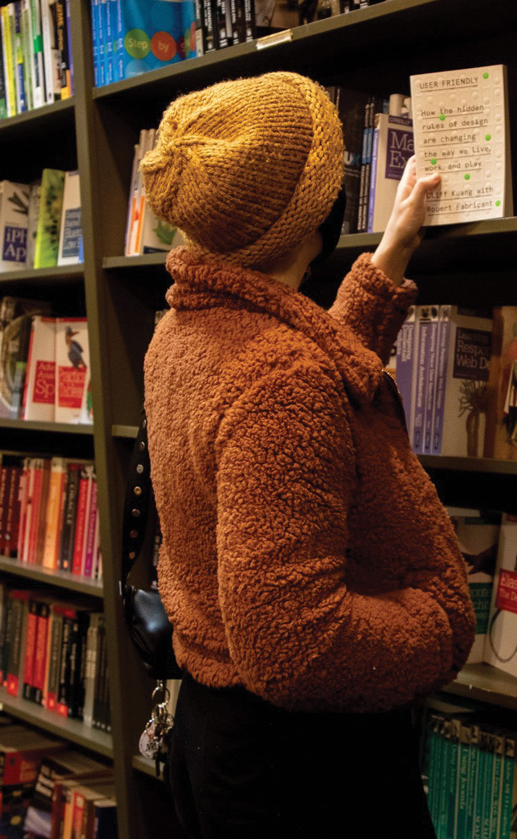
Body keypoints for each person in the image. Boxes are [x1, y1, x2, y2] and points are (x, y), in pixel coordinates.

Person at [140, 72, 475, 839]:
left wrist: (390, 257)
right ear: (313, 217)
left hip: (227, 738)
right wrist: (442, 621)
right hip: (303, 769)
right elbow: (294, 646)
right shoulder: (278, 381)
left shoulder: (190, 328)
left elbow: (296, 386)